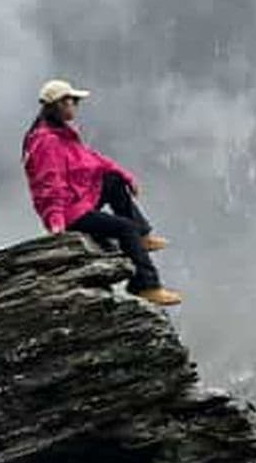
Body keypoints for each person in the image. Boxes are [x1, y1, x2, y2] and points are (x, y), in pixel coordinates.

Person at [22, 79, 182, 307]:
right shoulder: (46, 142)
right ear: (59, 104)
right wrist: (56, 222)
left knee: (112, 181)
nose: (76, 106)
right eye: (73, 101)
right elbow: (49, 184)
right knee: (125, 228)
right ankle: (146, 285)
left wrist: (124, 175)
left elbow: (91, 159)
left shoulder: (61, 134)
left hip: (78, 201)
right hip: (69, 213)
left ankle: (143, 236)